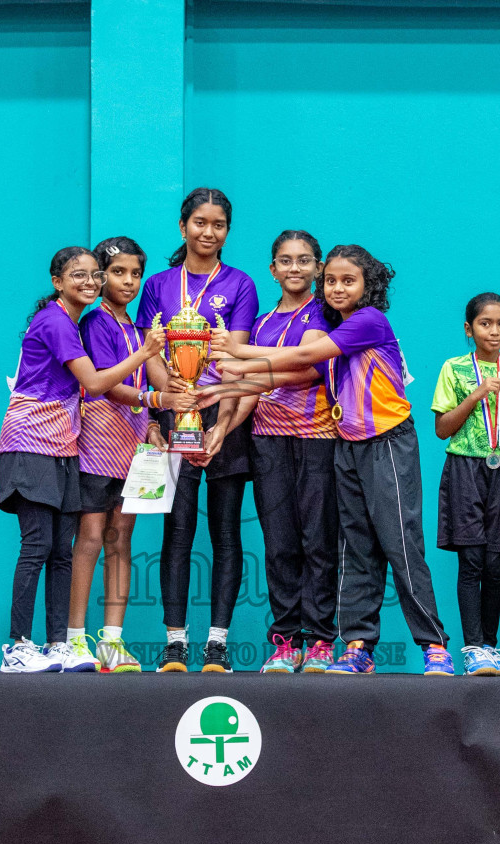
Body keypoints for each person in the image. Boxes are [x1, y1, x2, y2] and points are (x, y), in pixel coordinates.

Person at [212, 245, 454, 676]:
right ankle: (358, 645)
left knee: (399, 543)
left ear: (368, 286)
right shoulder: (332, 327)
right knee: (356, 547)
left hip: (387, 444)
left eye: (349, 281)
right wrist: (222, 389)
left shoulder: (368, 321)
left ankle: (434, 645)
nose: (338, 288)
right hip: (346, 445)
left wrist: (234, 353)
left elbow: (303, 357)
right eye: (332, 281)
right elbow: (288, 374)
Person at [0, 247, 166, 672]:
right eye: (83, 275)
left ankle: (63, 644)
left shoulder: (70, 320)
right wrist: (145, 358)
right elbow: (93, 384)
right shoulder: (63, 321)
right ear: (57, 281)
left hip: (64, 444)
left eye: (94, 274)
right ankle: (21, 645)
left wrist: (154, 414)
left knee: (60, 548)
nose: (92, 282)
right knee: (44, 545)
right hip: (39, 441)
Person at [136, 187, 260, 673]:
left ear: (227, 231)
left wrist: (221, 425)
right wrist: (174, 400)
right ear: (183, 226)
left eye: (219, 225)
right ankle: (174, 641)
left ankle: (218, 643)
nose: (209, 232)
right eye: (200, 223)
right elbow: (150, 356)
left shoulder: (242, 284)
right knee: (177, 530)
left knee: (227, 530)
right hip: (174, 410)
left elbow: (239, 358)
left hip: (223, 413)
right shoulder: (159, 285)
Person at [64, 238, 176, 673]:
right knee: (90, 539)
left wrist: (151, 421)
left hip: (133, 449)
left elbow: (145, 389)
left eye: (135, 274)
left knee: (119, 541)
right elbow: (107, 386)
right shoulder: (95, 323)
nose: (127, 281)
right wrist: (159, 400)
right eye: (117, 273)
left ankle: (112, 640)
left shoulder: (137, 327)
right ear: (100, 277)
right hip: (96, 447)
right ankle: (76, 639)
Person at [238, 230, 341, 673]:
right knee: (279, 544)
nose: (294, 268)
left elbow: (310, 369)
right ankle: (284, 641)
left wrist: (249, 367)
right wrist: (221, 430)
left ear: (318, 267)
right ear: (272, 269)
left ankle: (319, 640)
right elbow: (243, 386)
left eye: (303, 260)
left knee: (318, 541)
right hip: (267, 441)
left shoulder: (326, 313)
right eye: (285, 260)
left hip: (317, 439)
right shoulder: (261, 323)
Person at [431, 292, 500, 677]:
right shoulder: (454, 369)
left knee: (496, 565)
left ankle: (490, 646)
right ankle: (472, 647)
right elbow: (442, 429)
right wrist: (477, 393)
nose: (494, 331)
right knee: (471, 561)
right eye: (485, 323)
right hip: (465, 470)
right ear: (469, 329)